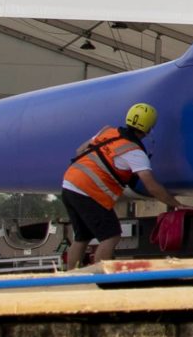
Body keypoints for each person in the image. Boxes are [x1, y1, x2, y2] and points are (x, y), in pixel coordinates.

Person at [59, 102, 185, 266]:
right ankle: (101, 279)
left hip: (69, 184)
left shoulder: (107, 131)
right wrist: (176, 204)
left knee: (82, 237)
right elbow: (152, 186)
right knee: (111, 236)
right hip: (88, 191)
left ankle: (72, 280)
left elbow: (79, 151)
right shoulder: (134, 152)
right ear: (148, 129)